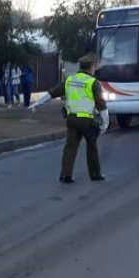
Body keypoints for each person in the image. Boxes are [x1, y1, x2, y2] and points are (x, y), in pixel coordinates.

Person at [28, 54, 108, 183]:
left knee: (70, 147)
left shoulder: (70, 80)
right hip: (87, 120)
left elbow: (52, 93)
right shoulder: (93, 82)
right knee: (92, 145)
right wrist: (105, 122)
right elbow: (101, 104)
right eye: (94, 66)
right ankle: (95, 174)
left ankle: (66, 175)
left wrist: (38, 104)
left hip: (71, 120)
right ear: (91, 67)